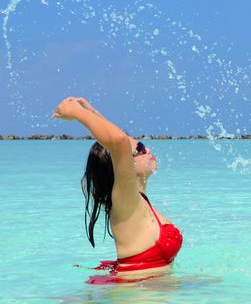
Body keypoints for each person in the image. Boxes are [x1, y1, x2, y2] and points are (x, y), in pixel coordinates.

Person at [53, 97, 183, 283]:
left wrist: (93, 112)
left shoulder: (138, 201)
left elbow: (121, 140)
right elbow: (119, 142)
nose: (147, 150)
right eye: (140, 148)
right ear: (123, 163)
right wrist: (76, 113)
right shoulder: (125, 200)